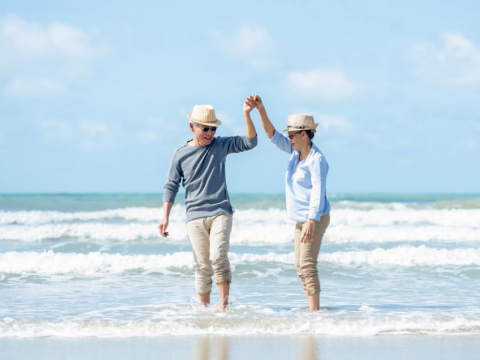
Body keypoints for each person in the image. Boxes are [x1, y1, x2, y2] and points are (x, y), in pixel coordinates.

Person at [158, 102, 257, 309]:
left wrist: (247, 114)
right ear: (192, 127)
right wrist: (165, 216)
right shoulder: (180, 154)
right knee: (202, 265)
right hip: (194, 215)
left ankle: (224, 307)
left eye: (213, 128)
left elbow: (250, 142)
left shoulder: (220, 145)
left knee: (218, 257)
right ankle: (204, 311)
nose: (210, 133)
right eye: (205, 128)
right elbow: (171, 186)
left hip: (221, 211)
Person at [251, 95, 330, 311]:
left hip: (314, 218)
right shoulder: (295, 153)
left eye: (292, 135)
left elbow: (318, 192)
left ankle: (315, 313)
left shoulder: (316, 160)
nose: (290, 138)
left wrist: (312, 221)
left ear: (304, 134)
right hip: (301, 219)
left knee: (307, 265)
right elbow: (271, 134)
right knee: (299, 266)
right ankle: (312, 310)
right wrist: (260, 109)